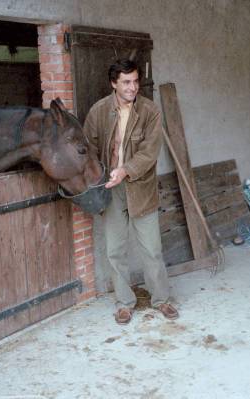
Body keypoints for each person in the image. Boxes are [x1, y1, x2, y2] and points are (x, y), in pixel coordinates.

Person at [83, 59, 178, 325]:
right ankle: (124, 303)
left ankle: (162, 299)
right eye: (126, 82)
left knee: (152, 248)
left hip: (141, 186)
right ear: (114, 83)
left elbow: (149, 153)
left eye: (135, 81)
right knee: (115, 249)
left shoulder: (150, 111)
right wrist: (98, 175)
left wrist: (124, 170)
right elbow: (88, 146)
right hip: (110, 188)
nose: (132, 87)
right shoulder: (98, 111)